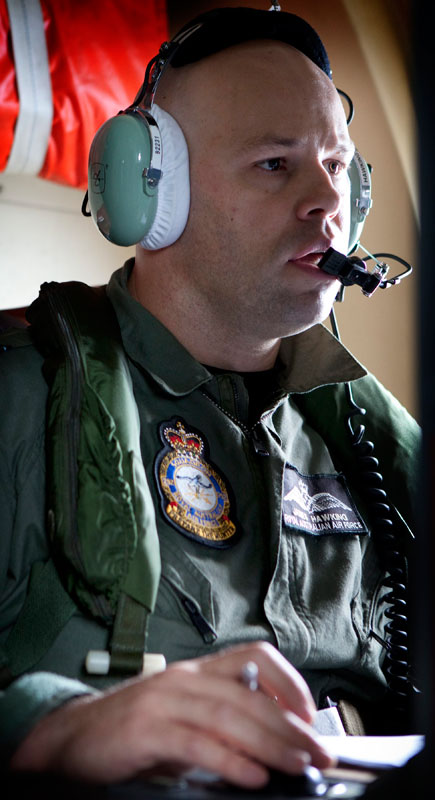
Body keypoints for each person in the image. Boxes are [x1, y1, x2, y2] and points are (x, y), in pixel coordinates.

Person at [0, 5, 419, 790]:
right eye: (274, 164)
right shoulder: (26, 391)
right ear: (148, 191)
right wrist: (53, 726)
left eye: (336, 165)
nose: (325, 201)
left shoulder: (370, 437)